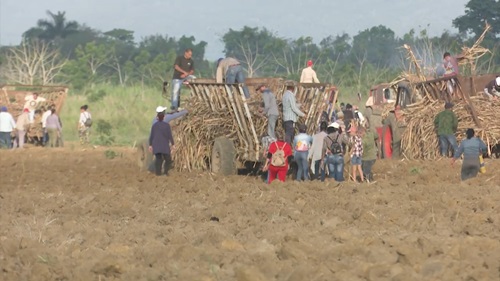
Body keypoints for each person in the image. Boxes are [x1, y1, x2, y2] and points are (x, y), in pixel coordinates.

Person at [149, 112, 175, 176]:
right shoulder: (166, 125)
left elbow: (151, 136)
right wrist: (173, 144)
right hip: (164, 146)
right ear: (164, 117)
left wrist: (150, 145)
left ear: (157, 117)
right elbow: (169, 136)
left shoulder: (154, 126)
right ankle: (165, 172)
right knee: (168, 159)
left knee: (158, 159)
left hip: (156, 145)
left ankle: (158, 173)